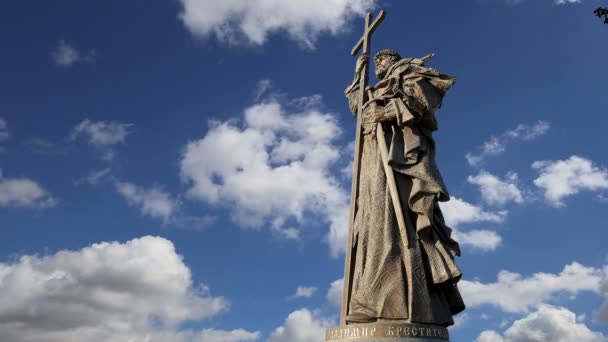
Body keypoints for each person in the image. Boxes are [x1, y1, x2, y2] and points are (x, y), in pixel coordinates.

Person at [343, 49, 465, 326]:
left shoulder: (407, 73)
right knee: (372, 225)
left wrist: (388, 111)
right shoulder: (374, 87)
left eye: (382, 59)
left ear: (394, 60)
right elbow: (359, 110)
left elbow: (422, 101)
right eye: (376, 61)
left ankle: (398, 300)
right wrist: (358, 77)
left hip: (399, 162)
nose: (378, 63)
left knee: (396, 225)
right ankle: (369, 296)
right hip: (373, 160)